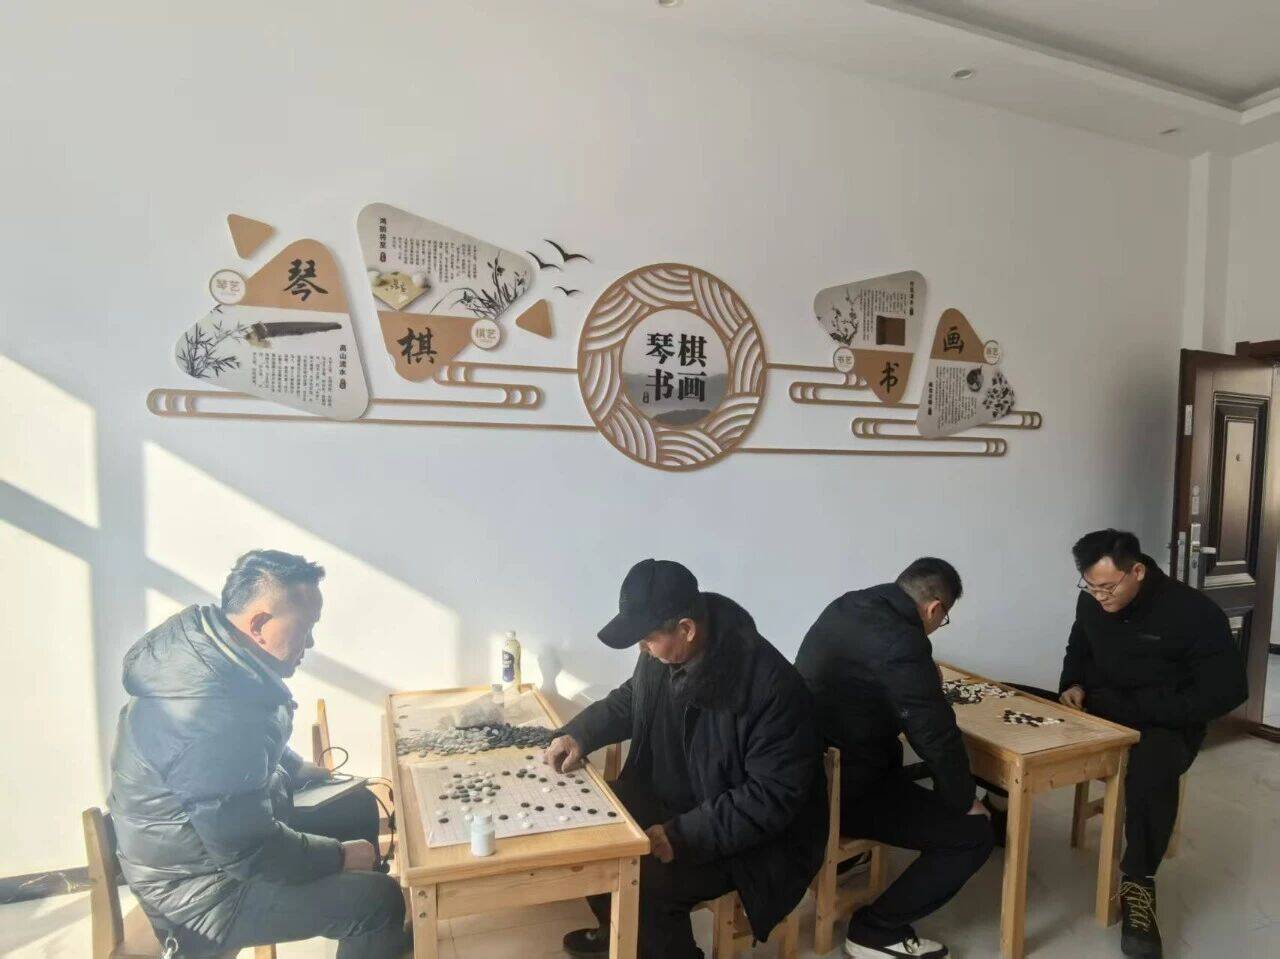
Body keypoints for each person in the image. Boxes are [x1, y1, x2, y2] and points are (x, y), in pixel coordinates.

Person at [109, 550, 407, 959]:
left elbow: (249, 752)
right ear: (260, 624)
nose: (311, 642)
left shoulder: (211, 660)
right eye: (305, 627)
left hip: (211, 852)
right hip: (200, 900)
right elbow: (249, 852)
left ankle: (372, 939)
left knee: (356, 805)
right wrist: (339, 856)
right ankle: (371, 922)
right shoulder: (207, 718)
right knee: (379, 900)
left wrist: (297, 768)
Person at [545, 559, 827, 959]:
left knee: (645, 875)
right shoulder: (663, 654)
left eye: (647, 639)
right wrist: (579, 734)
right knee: (592, 830)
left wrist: (682, 835)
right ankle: (620, 934)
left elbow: (771, 798)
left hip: (749, 839)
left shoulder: (770, 688)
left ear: (687, 629)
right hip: (674, 800)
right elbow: (631, 699)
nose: (642, 648)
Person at [1057, 530, 1246, 958]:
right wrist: (1072, 683)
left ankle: (1138, 883)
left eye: (1108, 588)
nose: (1099, 597)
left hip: (1167, 722)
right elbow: (1078, 646)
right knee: (1017, 709)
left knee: (1151, 770)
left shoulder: (1194, 613)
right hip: (1101, 707)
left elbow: (1228, 690)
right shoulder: (1092, 601)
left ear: (1137, 571)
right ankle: (998, 808)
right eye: (1090, 587)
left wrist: (1148, 708)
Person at [795, 558, 994, 959]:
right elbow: (934, 733)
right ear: (934, 608)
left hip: (805, 769)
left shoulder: (849, 604)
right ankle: (874, 931)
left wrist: (921, 680)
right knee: (975, 833)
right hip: (841, 790)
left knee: (907, 765)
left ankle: (850, 862)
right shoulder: (902, 641)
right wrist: (964, 799)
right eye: (943, 619)